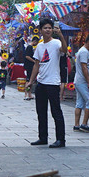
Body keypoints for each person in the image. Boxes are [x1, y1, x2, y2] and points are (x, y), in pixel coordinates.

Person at [28, 20, 66, 148]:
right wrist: (30, 81)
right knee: (41, 111)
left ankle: (61, 140)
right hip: (41, 83)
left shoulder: (56, 43)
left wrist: (61, 35)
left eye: (50, 28)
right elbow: (36, 65)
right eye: (45, 28)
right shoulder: (39, 46)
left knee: (56, 112)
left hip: (53, 83)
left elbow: (64, 50)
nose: (48, 30)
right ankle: (42, 137)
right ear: (40, 30)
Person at [72, 33, 89, 133]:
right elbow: (84, 67)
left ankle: (77, 125)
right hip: (82, 81)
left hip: (79, 80)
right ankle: (84, 124)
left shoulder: (83, 51)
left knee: (79, 103)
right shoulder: (84, 52)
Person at [23, 36, 38, 100]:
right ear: (34, 41)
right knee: (28, 80)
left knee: (30, 80)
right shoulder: (29, 47)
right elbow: (27, 56)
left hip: (30, 66)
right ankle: (26, 94)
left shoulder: (30, 47)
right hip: (29, 66)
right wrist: (34, 61)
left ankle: (29, 93)